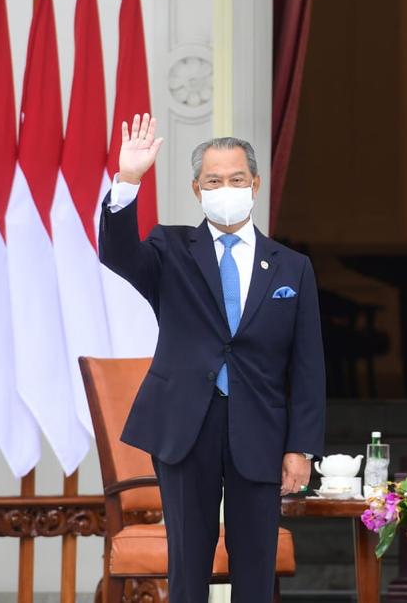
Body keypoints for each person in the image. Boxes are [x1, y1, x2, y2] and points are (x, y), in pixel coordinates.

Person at [99, 114, 325, 601]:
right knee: (188, 564)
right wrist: (129, 180)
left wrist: (301, 448)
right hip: (185, 426)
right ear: (197, 190)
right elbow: (117, 254)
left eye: (237, 179)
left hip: (261, 430)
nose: (227, 188)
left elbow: (308, 367)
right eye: (215, 181)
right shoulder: (171, 246)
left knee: (255, 567)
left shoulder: (292, 266)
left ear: (256, 184)